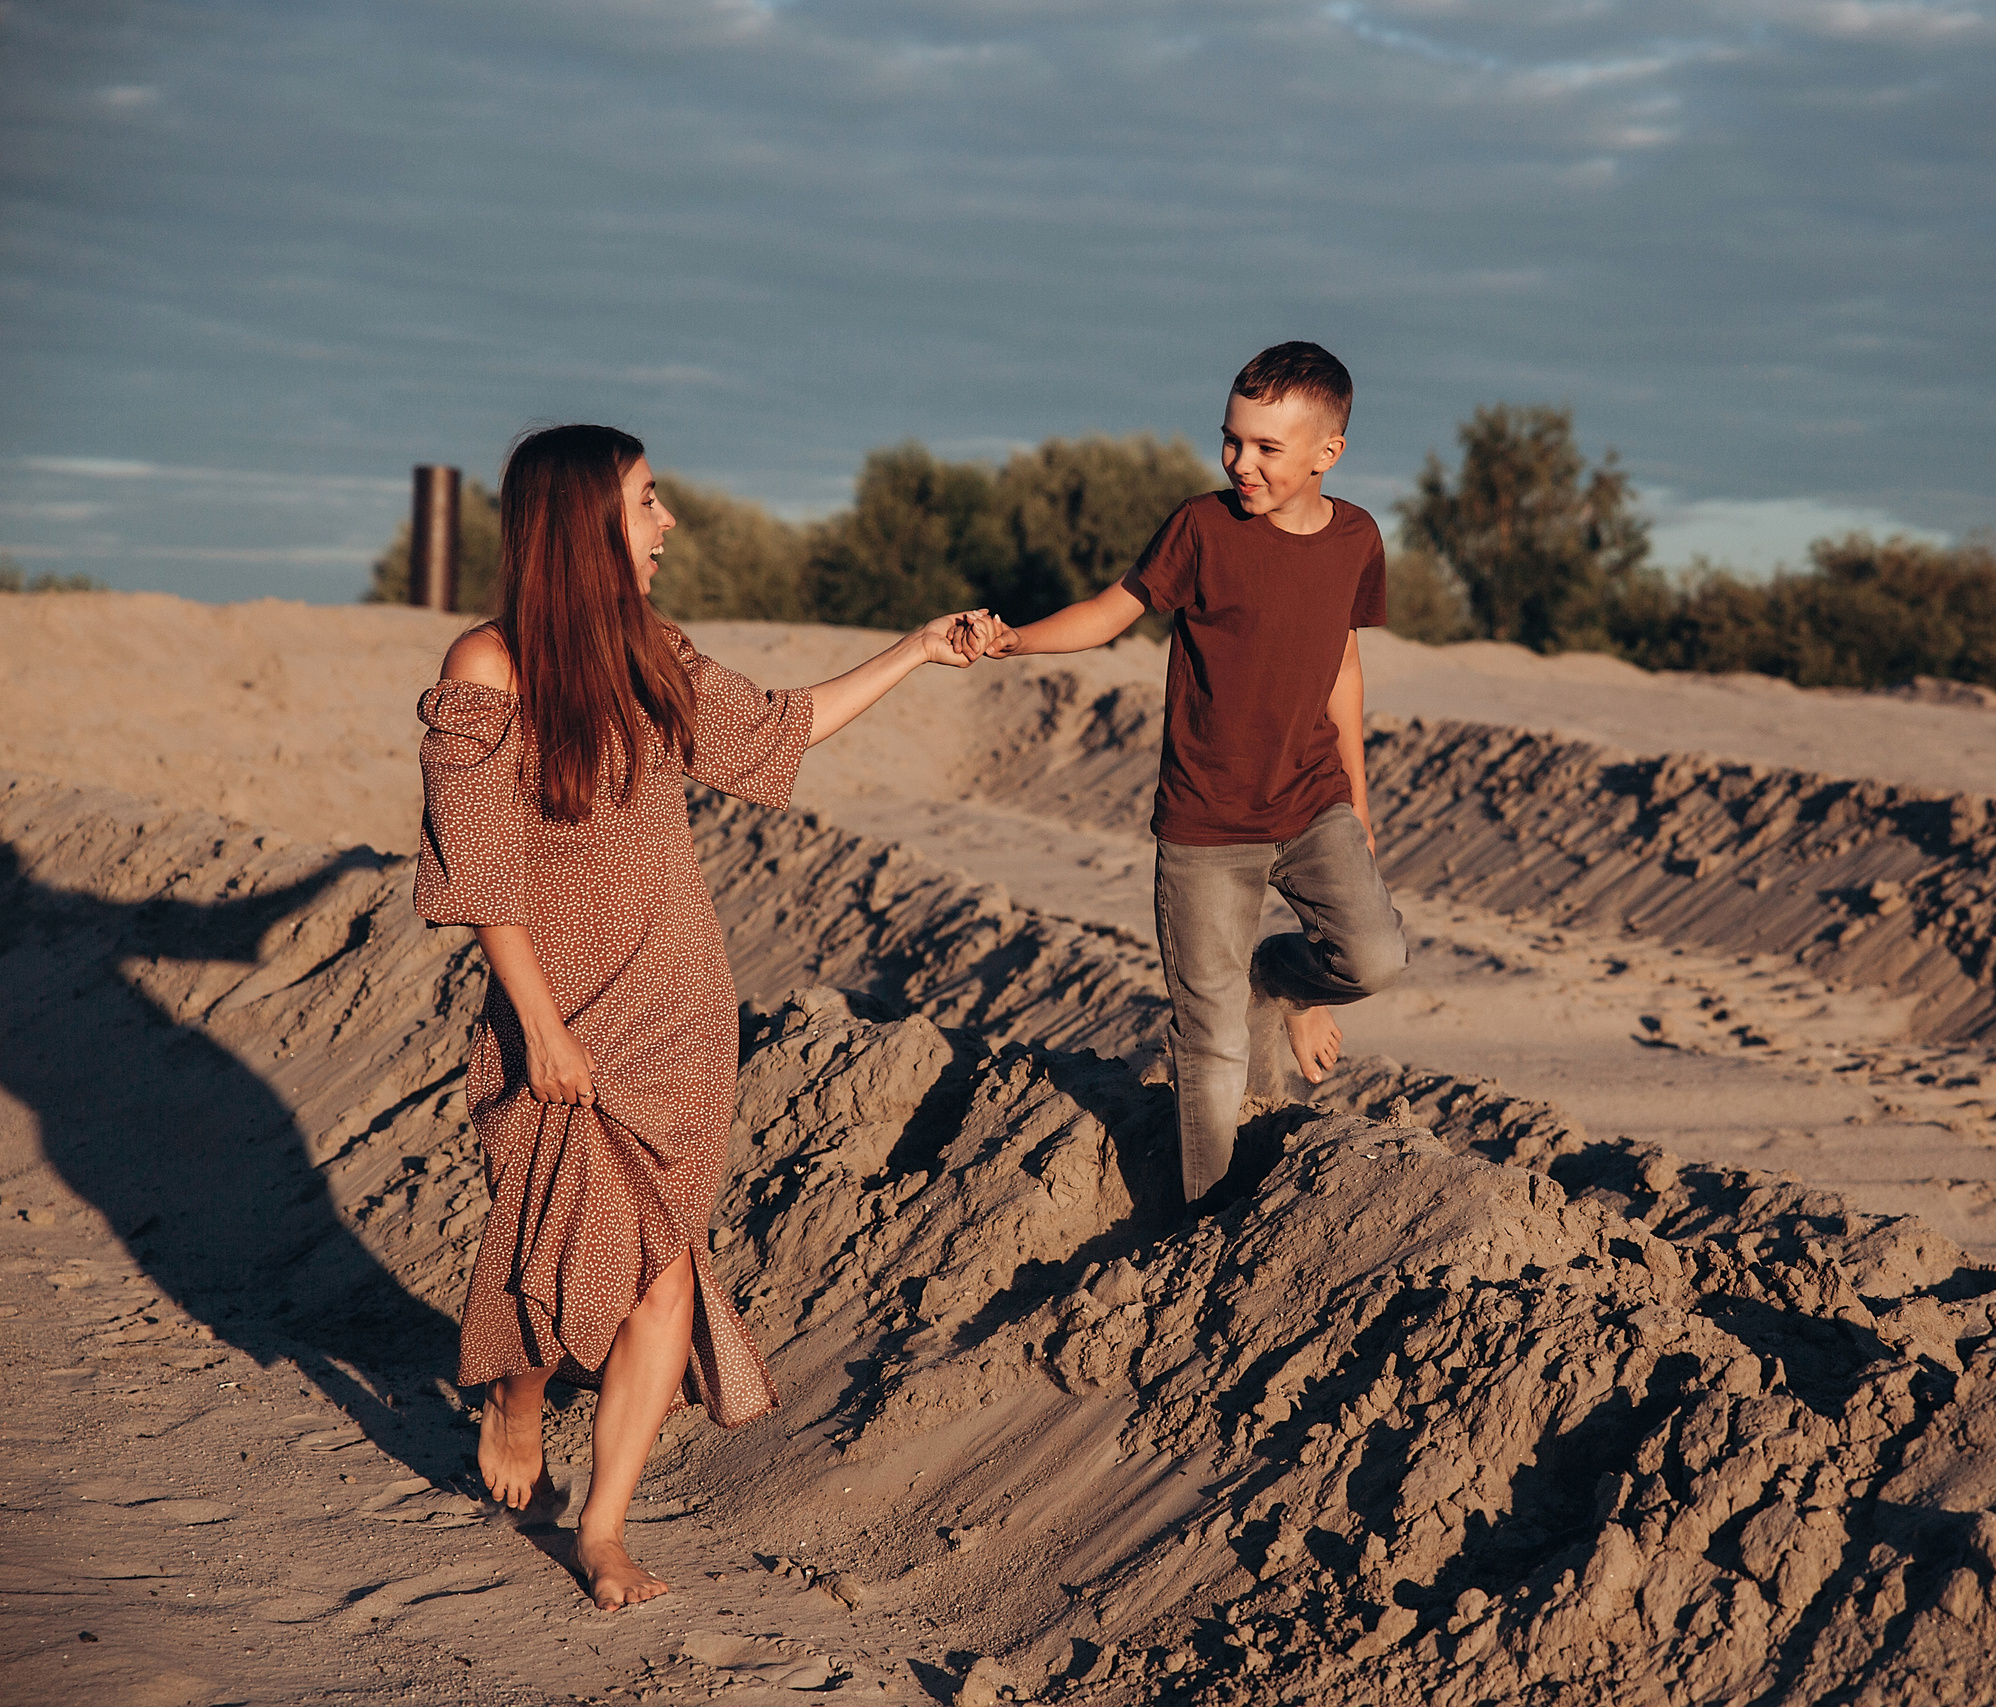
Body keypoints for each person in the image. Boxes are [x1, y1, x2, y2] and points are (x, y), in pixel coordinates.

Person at [413, 423, 986, 1610]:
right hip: (552, 1011)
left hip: (680, 1009)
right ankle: (517, 1396)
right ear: (583, 523)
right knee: (549, 1252)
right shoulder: (486, 669)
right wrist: (541, 1026)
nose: (667, 523)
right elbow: (481, 880)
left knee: (662, 1269)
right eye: (647, 500)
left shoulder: (654, 653)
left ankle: (603, 1529)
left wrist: (915, 651)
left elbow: (781, 727)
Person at [979, 341, 1406, 1202]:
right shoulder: (1202, 530)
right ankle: (1204, 1227)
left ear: (1329, 453)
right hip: (1206, 830)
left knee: (1374, 957)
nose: (1239, 462)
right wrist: (1014, 638)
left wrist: (1358, 799)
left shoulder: (1356, 537)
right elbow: (1110, 612)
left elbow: (1343, 665)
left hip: (1312, 804)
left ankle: (1275, 980)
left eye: (1265, 448)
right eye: (1231, 440)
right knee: (1212, 1047)